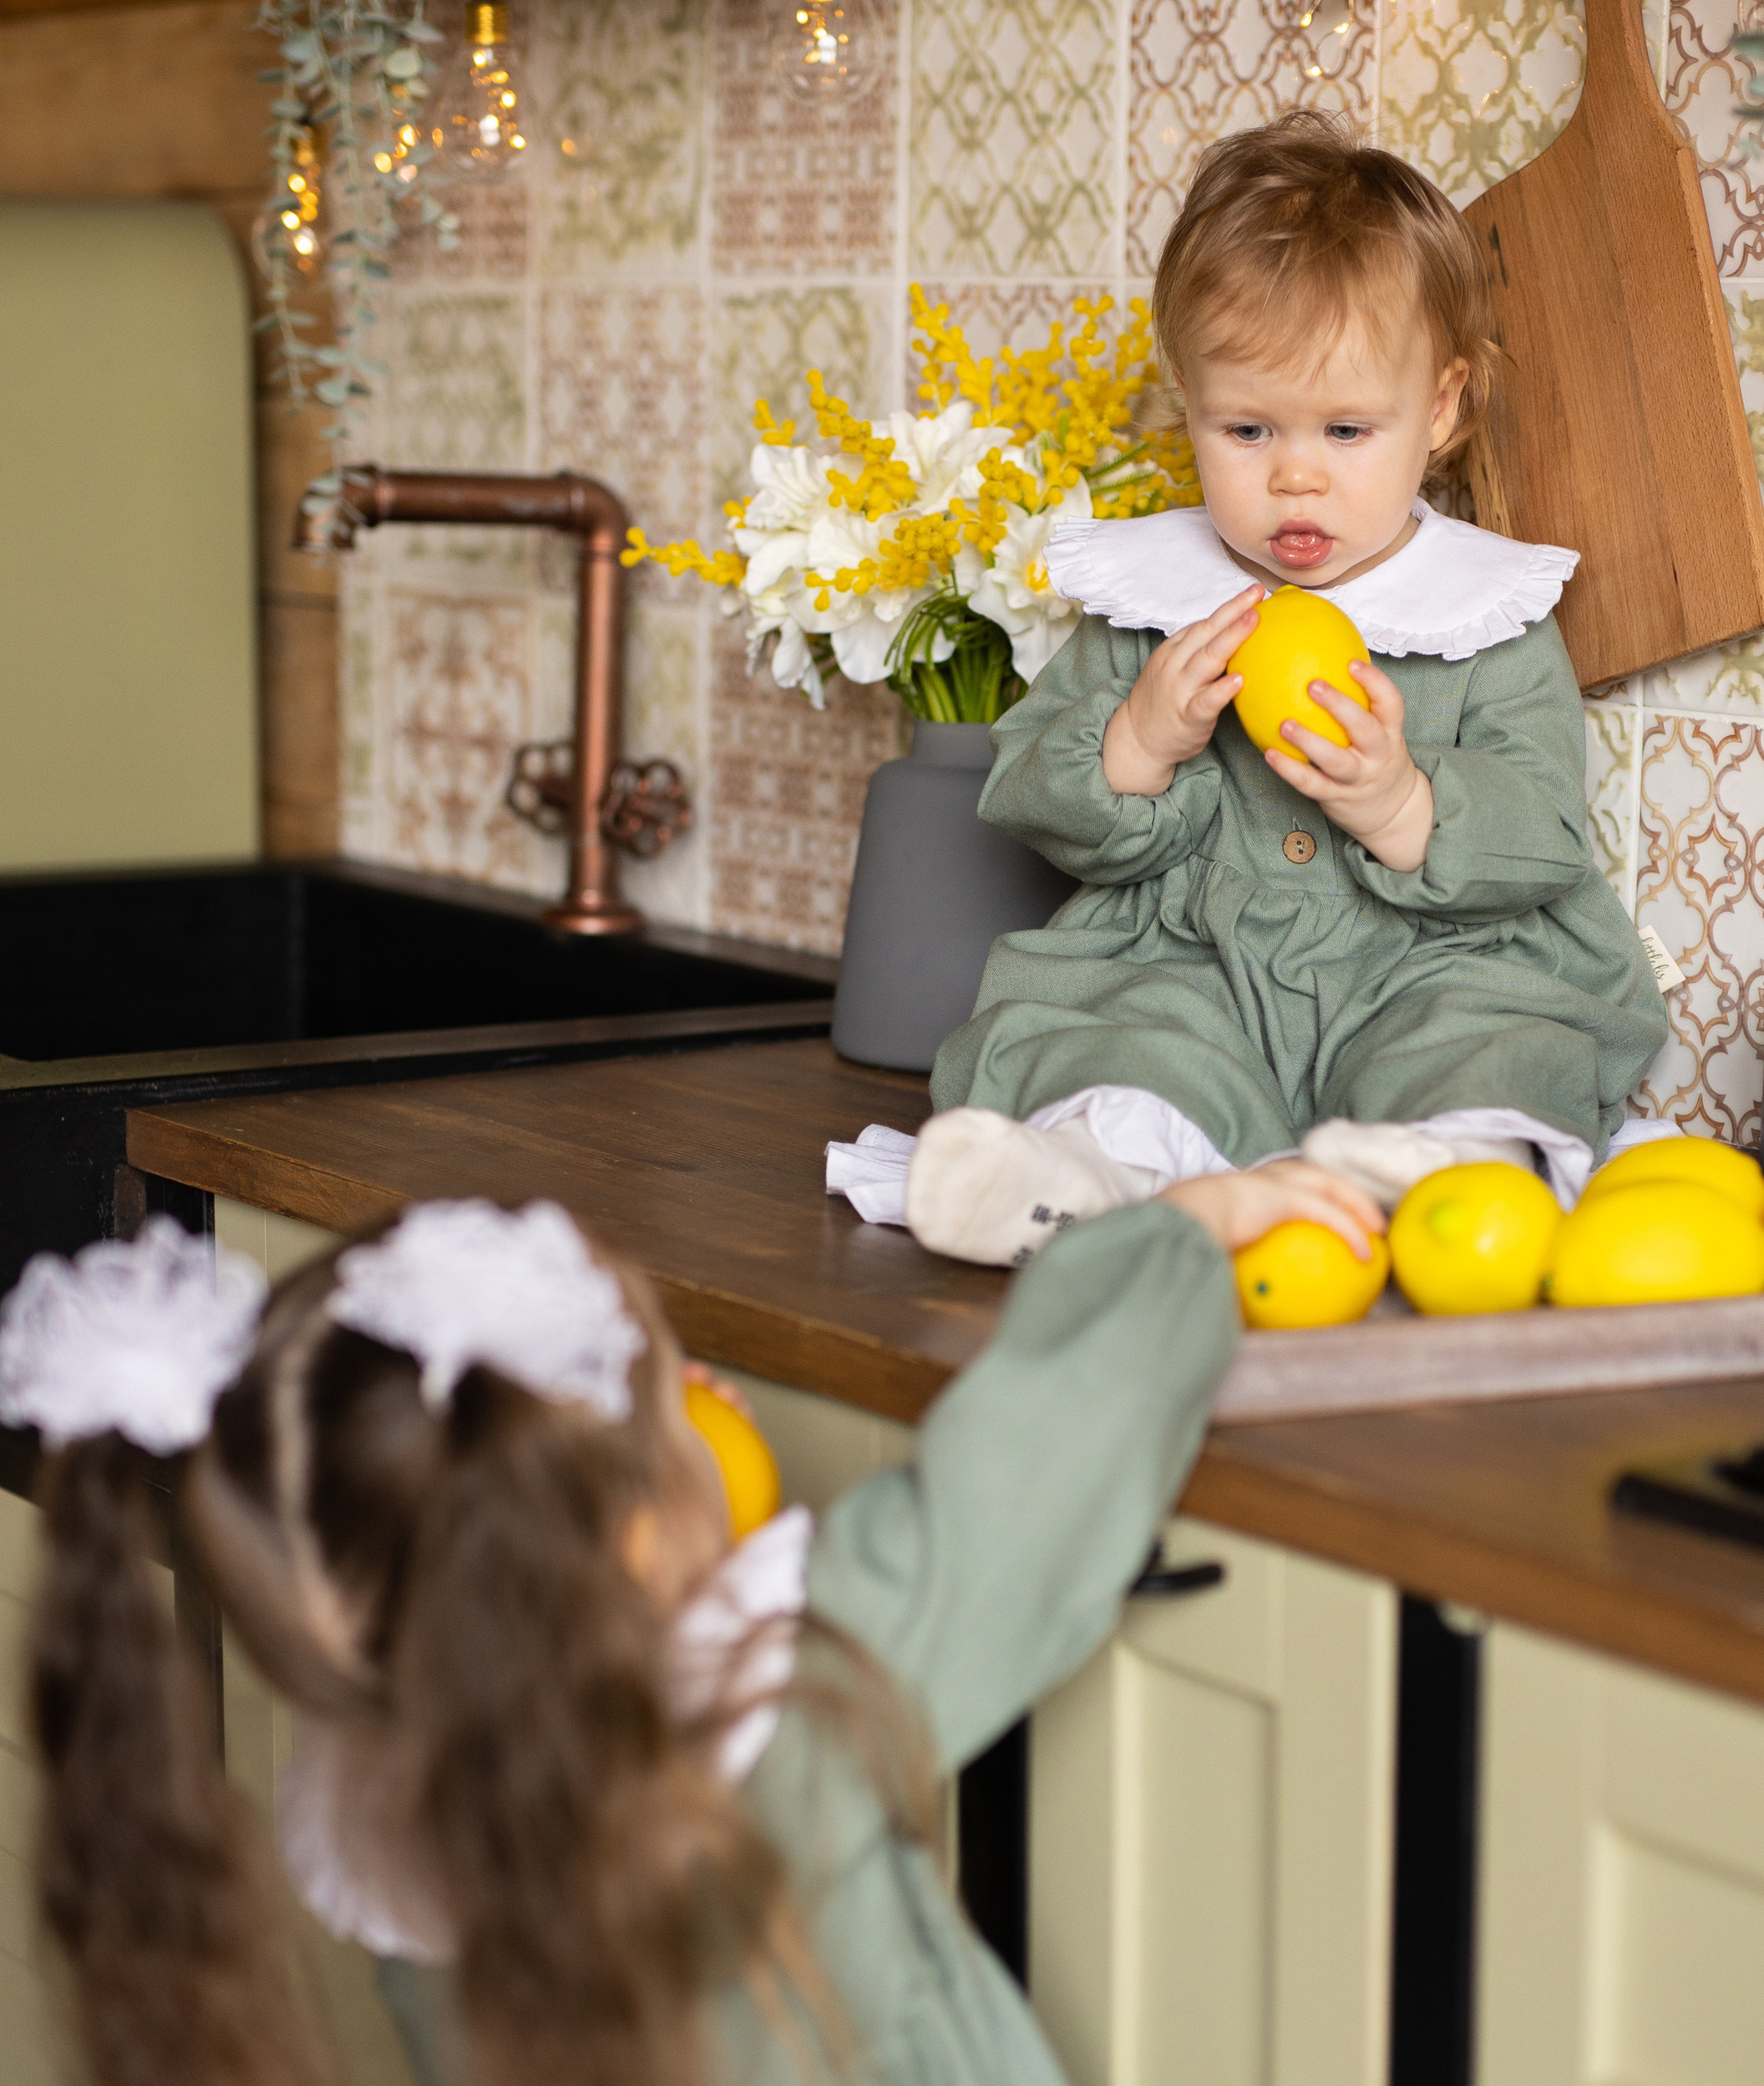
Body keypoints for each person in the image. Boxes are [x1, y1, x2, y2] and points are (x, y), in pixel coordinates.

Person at [0, 1160, 1378, 2086]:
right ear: (639, 1539)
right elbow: (1042, 1463)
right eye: (675, 1399)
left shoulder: (386, 1820)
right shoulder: (779, 1704)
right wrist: (1176, 1234)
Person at [890, 112, 1666, 1268]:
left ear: (1441, 408)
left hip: (1433, 965)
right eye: (1248, 428)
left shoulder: (1484, 610)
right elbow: (1028, 785)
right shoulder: (1153, 600)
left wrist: (1403, 802)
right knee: (1121, 1032)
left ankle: (1441, 1170)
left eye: (1346, 429)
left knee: (1488, 1040)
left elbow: (1547, 834)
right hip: (1188, 959)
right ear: (1187, 398)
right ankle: (1090, 1177)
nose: (1296, 476)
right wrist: (1138, 742)